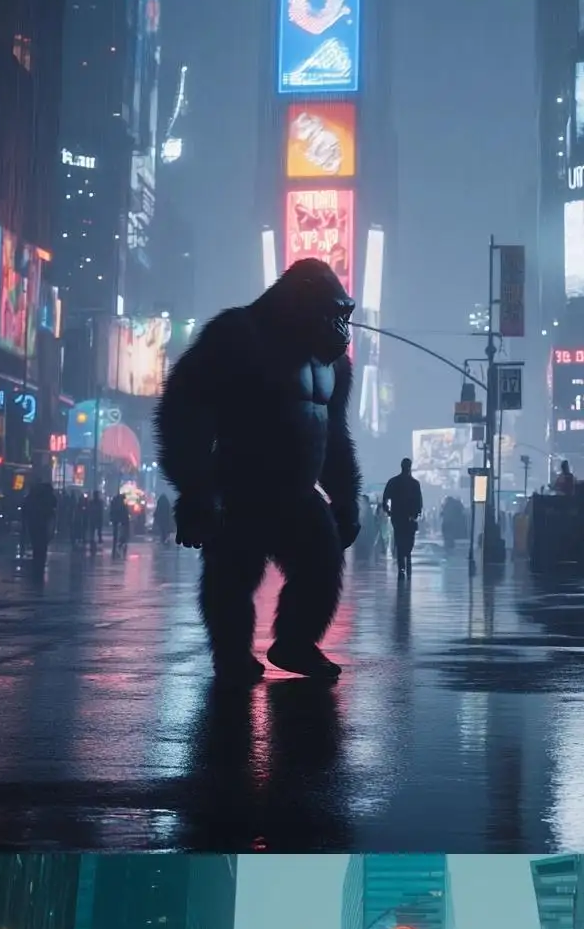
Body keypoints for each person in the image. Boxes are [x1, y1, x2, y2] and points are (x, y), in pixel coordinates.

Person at [155, 258, 361, 685]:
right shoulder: (239, 334)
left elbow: (335, 435)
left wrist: (345, 497)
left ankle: (295, 642)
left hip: (299, 490)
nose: (343, 328)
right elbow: (182, 412)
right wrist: (195, 491)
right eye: (336, 314)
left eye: (347, 315)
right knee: (233, 575)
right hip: (240, 483)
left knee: (322, 565)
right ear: (304, 303)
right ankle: (231, 654)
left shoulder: (335, 365)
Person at [380, 456, 423, 575]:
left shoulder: (393, 482)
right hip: (409, 518)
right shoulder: (415, 484)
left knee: (399, 540)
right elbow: (419, 502)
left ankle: (402, 567)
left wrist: (388, 511)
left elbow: (385, 499)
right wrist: (416, 513)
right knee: (408, 541)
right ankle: (407, 561)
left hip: (397, 517)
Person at [21, 475, 56, 572]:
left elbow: (25, 508)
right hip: (43, 523)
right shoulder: (47, 498)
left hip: (34, 523)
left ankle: (37, 562)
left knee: (36, 544)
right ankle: (39, 562)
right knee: (42, 545)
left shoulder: (33, 497)